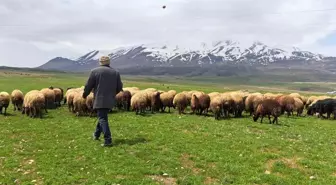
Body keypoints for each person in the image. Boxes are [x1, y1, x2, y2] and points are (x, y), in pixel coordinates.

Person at [82, 56, 123, 147]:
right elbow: (119, 87)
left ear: (100, 62)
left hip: (100, 99)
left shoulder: (95, 71)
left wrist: (85, 94)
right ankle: (96, 134)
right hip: (110, 99)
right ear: (109, 62)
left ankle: (108, 140)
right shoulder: (115, 72)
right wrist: (112, 94)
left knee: (102, 118)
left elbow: (89, 85)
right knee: (102, 116)